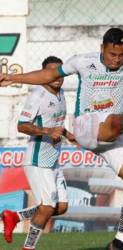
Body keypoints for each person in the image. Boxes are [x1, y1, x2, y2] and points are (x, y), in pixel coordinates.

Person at [0, 28, 123, 250]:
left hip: (114, 132)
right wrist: (12, 77)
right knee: (114, 122)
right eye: (112, 54)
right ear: (101, 48)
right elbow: (49, 75)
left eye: (121, 55)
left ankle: (118, 243)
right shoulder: (83, 62)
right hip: (87, 125)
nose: (117, 60)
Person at [1, 56, 76, 250]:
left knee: (60, 207)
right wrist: (47, 132)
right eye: (51, 72)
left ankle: (14, 216)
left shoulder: (61, 93)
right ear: (43, 74)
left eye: (59, 72)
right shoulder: (38, 96)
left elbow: (56, 123)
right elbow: (22, 126)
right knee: (48, 207)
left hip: (53, 161)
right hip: (37, 161)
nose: (57, 76)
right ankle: (28, 247)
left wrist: (69, 135)